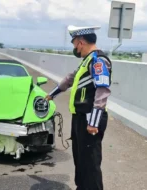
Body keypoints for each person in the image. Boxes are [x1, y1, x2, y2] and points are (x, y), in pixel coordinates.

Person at [45, 25, 112, 190]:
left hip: (90, 118)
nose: (75, 48)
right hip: (80, 118)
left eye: (75, 43)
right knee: (80, 159)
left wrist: (94, 122)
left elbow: (102, 91)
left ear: (81, 42)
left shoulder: (98, 61)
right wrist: (52, 94)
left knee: (90, 162)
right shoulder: (87, 61)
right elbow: (70, 79)